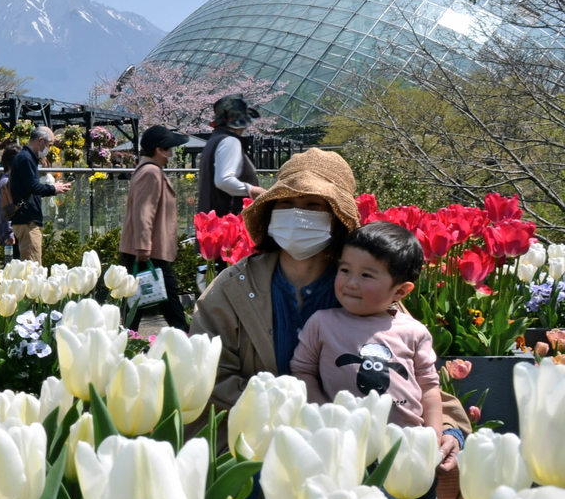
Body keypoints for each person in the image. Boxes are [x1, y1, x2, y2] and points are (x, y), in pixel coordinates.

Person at [189, 148, 466, 471]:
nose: (297, 214)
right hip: (255, 450)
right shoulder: (234, 287)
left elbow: (408, 370)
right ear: (271, 212)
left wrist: (449, 427)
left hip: (352, 453)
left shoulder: (362, 288)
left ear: (337, 219)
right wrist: (294, 411)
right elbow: (208, 375)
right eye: (286, 203)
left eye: (313, 206)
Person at [290, 220, 443, 499]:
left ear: (400, 291)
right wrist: (323, 411)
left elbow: (429, 386)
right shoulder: (322, 323)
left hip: (407, 446)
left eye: (366, 275)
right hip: (350, 445)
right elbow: (302, 371)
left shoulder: (413, 332)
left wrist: (434, 437)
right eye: (344, 270)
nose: (350, 282)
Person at [118, 124, 190, 332]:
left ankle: (127, 342)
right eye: (170, 149)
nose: (172, 154)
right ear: (160, 149)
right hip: (148, 252)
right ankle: (185, 340)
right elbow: (144, 211)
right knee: (166, 302)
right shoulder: (151, 172)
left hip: (147, 250)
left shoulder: (148, 170)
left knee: (138, 304)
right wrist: (143, 247)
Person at [8, 126, 71, 264]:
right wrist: (54, 188)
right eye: (49, 145)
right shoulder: (26, 158)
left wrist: (53, 188)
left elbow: (29, 188)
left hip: (25, 218)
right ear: (40, 140)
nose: (49, 149)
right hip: (27, 220)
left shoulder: (26, 157)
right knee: (33, 266)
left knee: (29, 264)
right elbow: (33, 187)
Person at [196, 95, 267, 217]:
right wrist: (253, 190)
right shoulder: (230, 141)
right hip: (229, 223)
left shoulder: (214, 140)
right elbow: (224, 181)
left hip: (212, 222)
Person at [0, 145, 19, 259]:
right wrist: (9, 234)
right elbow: (4, 212)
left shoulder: (9, 181)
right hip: (11, 237)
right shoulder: (5, 183)